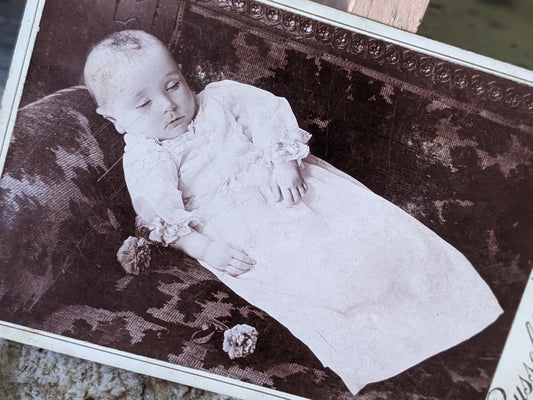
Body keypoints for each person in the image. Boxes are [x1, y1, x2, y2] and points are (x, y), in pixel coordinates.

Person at [83, 29, 503, 394]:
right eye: (143, 104)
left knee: (371, 233)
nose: (167, 105)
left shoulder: (222, 98)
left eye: (172, 85)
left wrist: (282, 160)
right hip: (238, 221)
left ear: (181, 72)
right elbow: (160, 213)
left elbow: (266, 115)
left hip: (288, 184)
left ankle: (439, 297)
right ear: (113, 118)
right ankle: (381, 327)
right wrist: (203, 247)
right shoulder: (146, 157)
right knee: (313, 275)